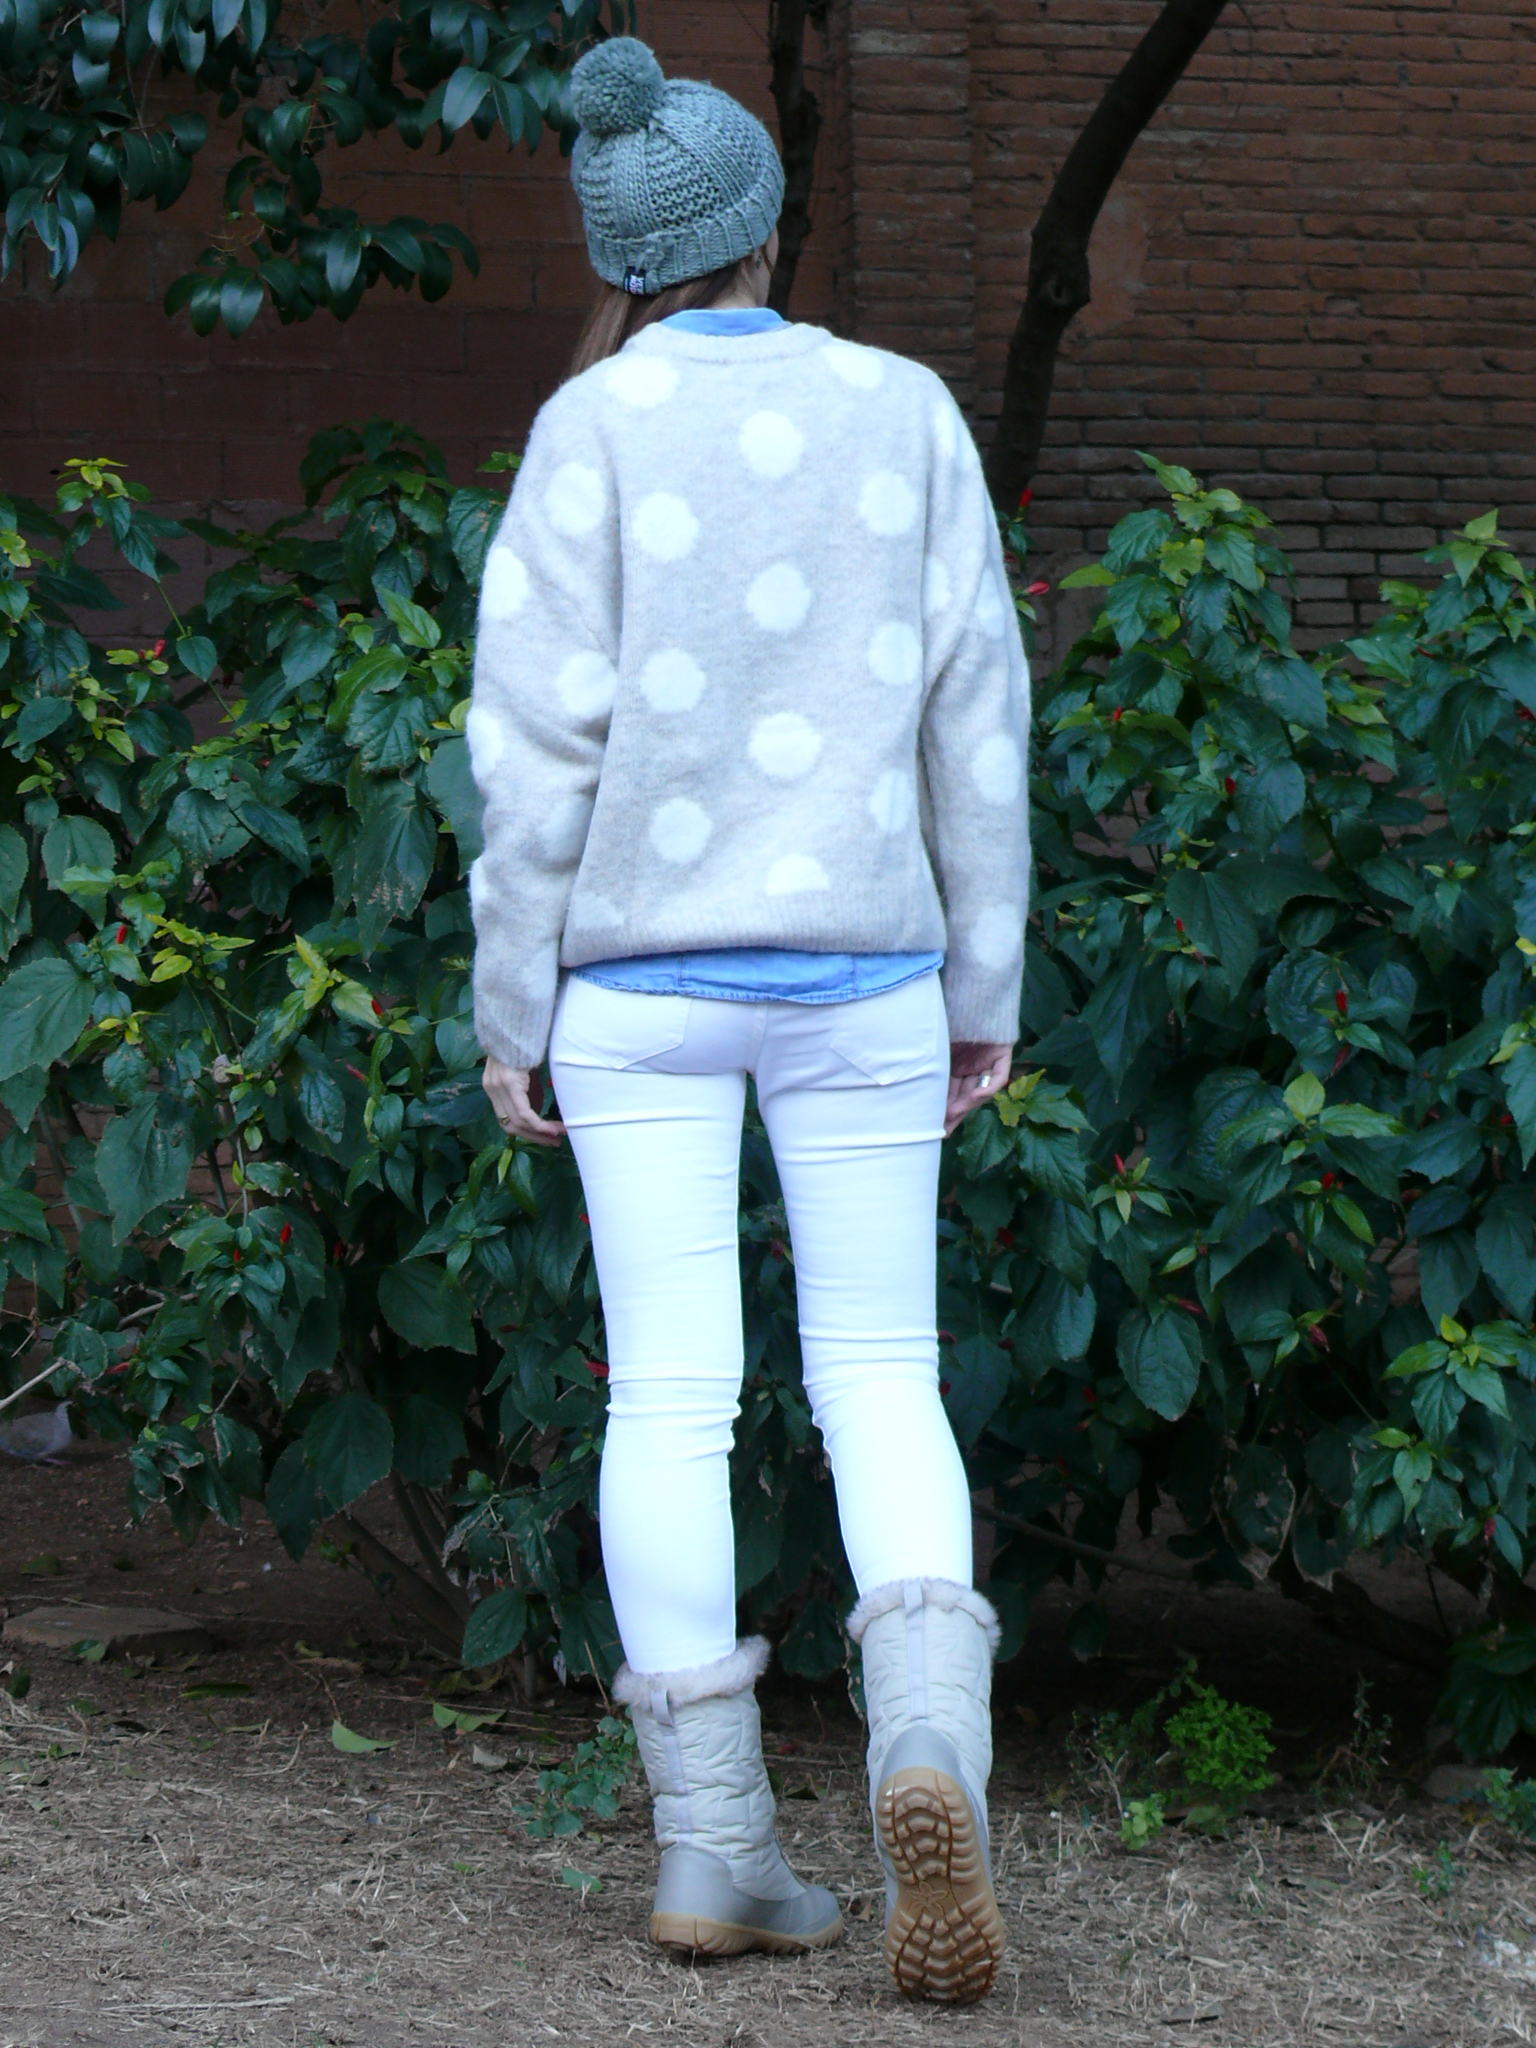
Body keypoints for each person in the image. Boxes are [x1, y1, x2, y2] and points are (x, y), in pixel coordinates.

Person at [468, 35, 1031, 2006]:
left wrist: (515, 1005)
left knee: (669, 1395)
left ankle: (713, 1848)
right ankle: (928, 1750)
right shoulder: (903, 412)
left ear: (623, 256)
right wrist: (983, 984)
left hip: (634, 986)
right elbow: (978, 712)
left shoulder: (588, 432)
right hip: (866, 971)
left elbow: (531, 749)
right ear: (768, 227)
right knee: (882, 1371)